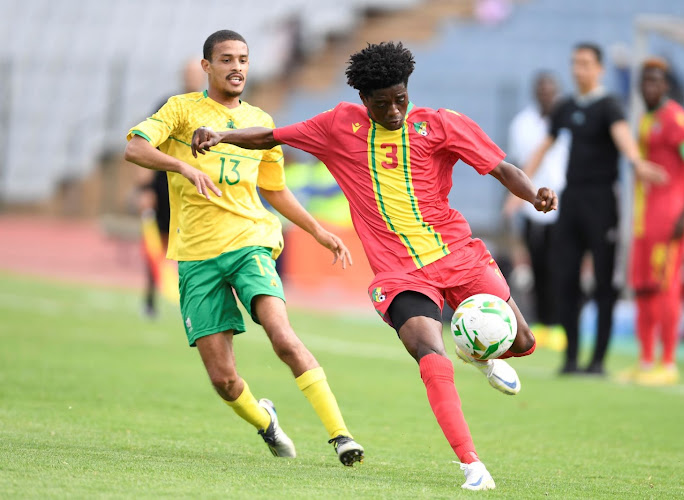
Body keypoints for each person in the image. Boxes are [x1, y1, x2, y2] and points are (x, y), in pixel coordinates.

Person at [191, 41, 558, 491]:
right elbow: (272, 137)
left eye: (400, 99)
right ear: (364, 101)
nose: (394, 111)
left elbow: (502, 169)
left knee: (522, 342)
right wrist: (222, 135)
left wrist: (534, 193)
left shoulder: (440, 124)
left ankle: (476, 352)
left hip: (458, 255)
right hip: (399, 273)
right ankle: (472, 465)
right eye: (382, 103)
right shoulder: (338, 125)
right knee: (427, 352)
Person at [123, 30, 364, 466]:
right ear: (207, 67)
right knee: (224, 380)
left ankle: (341, 435)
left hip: (250, 242)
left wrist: (316, 230)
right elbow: (135, 148)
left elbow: (275, 190)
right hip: (196, 257)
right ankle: (266, 421)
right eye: (227, 59)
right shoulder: (180, 110)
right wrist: (180, 164)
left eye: (244, 60)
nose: (237, 68)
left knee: (283, 336)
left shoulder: (259, 123)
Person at [519, 42, 666, 375]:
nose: (578, 69)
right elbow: (545, 145)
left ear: (599, 68)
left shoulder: (609, 105)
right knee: (565, 278)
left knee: (603, 282)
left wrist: (637, 163)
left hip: (602, 202)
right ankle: (570, 358)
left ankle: (597, 360)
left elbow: (622, 137)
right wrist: (520, 186)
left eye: (585, 63)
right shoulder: (566, 106)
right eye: (575, 63)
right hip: (571, 201)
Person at [622, 58, 684, 386]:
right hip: (644, 219)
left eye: (655, 82)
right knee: (642, 288)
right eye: (645, 81)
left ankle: (668, 363)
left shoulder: (676, 118)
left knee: (666, 287)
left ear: (666, 86)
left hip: (668, 217)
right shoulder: (646, 119)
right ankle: (645, 362)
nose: (649, 87)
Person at [138, 58, 206, 317]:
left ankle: (192, 303)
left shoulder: (212, 110)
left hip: (193, 189)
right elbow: (144, 145)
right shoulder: (169, 106)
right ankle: (150, 298)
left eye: (195, 73)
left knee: (193, 247)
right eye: (188, 73)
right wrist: (144, 189)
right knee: (157, 244)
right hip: (163, 185)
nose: (192, 78)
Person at [505, 72, 568, 345]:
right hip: (532, 202)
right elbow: (516, 165)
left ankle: (558, 324)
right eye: (542, 90)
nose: (546, 95)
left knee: (560, 266)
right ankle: (542, 322)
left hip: (563, 202)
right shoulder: (522, 124)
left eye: (550, 90)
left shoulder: (568, 121)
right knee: (537, 264)